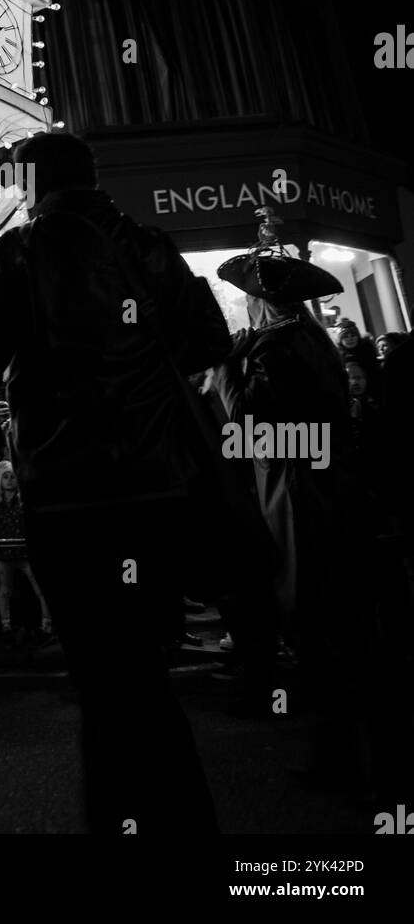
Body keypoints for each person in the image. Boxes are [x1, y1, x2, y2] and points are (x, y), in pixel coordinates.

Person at [0, 131, 231, 834]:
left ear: (33, 184)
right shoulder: (147, 247)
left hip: (70, 499)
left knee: (109, 680)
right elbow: (208, 343)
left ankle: (140, 819)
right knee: (138, 671)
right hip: (157, 494)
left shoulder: (19, 257)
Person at [213, 231, 374, 784]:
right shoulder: (309, 340)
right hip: (318, 483)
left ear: (260, 303)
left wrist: (226, 370)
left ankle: (340, 756)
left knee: (309, 614)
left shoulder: (275, 347)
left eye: (246, 299)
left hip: (296, 488)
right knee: (326, 614)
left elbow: (252, 429)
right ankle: (344, 743)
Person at [0, 460, 52, 639]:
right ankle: (6, 626)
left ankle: (46, 625)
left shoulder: (24, 501)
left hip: (25, 552)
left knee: (39, 588)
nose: (9, 481)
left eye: (12, 477)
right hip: (5, 553)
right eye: (6, 477)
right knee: (4, 591)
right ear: (0, 481)